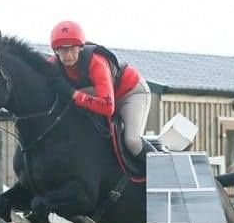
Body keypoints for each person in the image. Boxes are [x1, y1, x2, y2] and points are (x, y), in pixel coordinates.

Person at [48, 20, 159, 165]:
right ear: (56, 51)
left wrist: (73, 94)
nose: (68, 55)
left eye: (72, 49)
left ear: (81, 47)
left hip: (130, 93)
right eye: (63, 50)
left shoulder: (96, 62)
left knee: (132, 141)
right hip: (102, 97)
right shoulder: (51, 65)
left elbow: (107, 107)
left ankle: (164, 172)